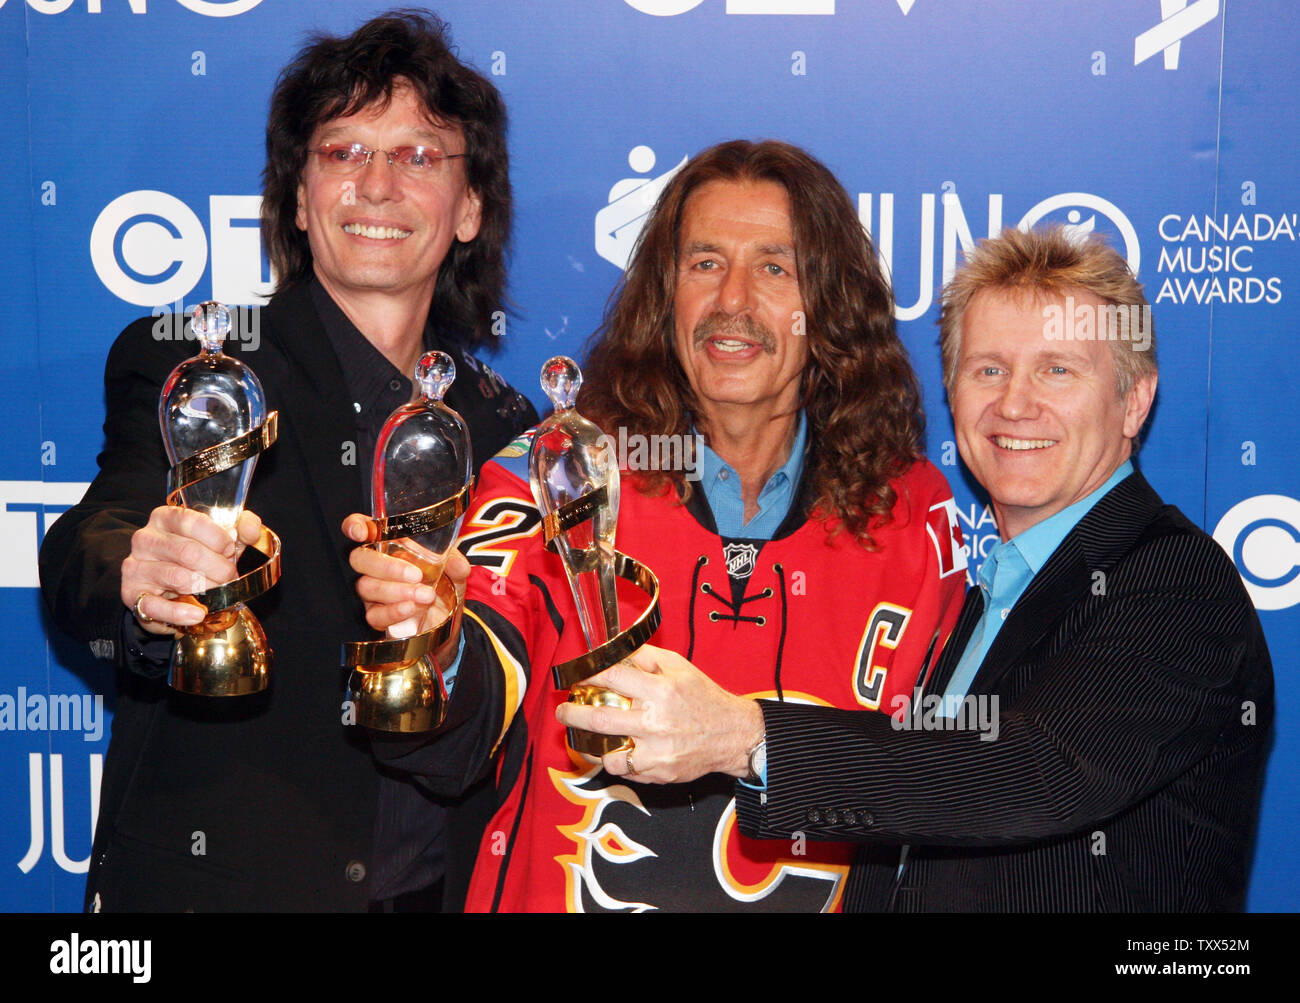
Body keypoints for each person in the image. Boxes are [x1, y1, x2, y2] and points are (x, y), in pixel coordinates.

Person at [560, 226, 1275, 911]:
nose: (1015, 404)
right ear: (953, 395)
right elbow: (920, 811)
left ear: (1134, 400)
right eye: (988, 369)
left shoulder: (1177, 580)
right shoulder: (986, 593)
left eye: (1058, 369)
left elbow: (1035, 772)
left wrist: (748, 736)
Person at [355, 139, 967, 911]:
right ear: (663, 294)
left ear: (831, 304)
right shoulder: (558, 469)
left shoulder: (911, 508)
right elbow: (458, 731)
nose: (732, 301)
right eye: (704, 263)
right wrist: (434, 642)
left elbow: (949, 775)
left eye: (775, 267)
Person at [39, 11, 536, 912]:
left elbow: (503, 703)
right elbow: (92, 542)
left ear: (470, 209)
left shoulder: (506, 427)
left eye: (420, 156)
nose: (377, 185)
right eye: (342, 152)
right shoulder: (196, 368)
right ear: (299, 198)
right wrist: (144, 579)